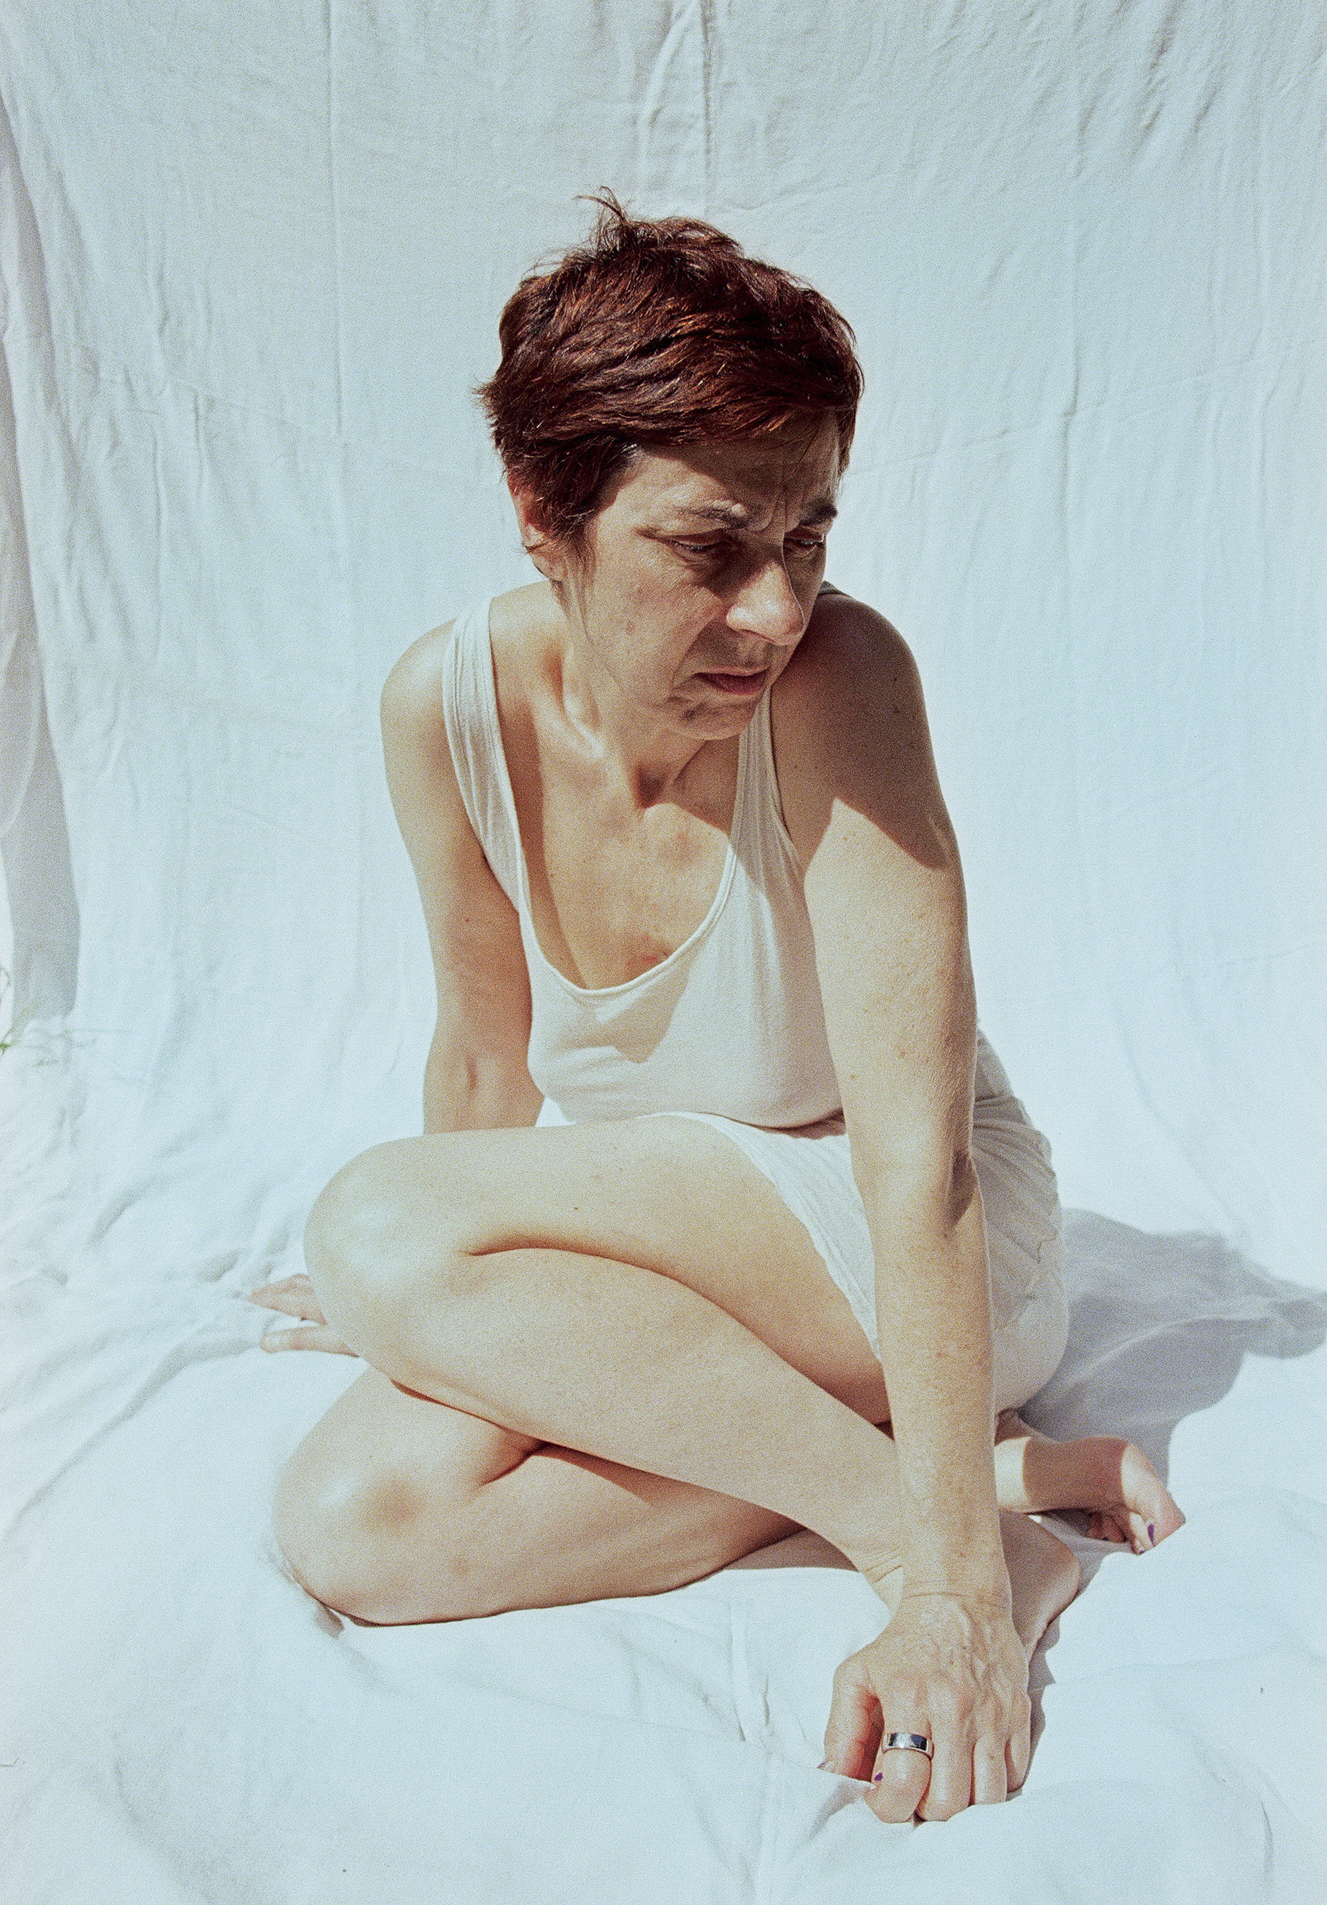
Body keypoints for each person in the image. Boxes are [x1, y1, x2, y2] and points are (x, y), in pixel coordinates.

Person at [252, 199, 1183, 1825]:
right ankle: (986, 1487)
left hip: (928, 1241)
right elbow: (481, 1053)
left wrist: (947, 1602)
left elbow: (922, 1164)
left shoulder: (841, 688)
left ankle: (958, 1547)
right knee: (361, 1529)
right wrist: (429, 1308)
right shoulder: (448, 707)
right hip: (714, 1244)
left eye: (808, 534)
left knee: (374, 1221)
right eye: (710, 547)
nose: (775, 609)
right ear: (544, 511)